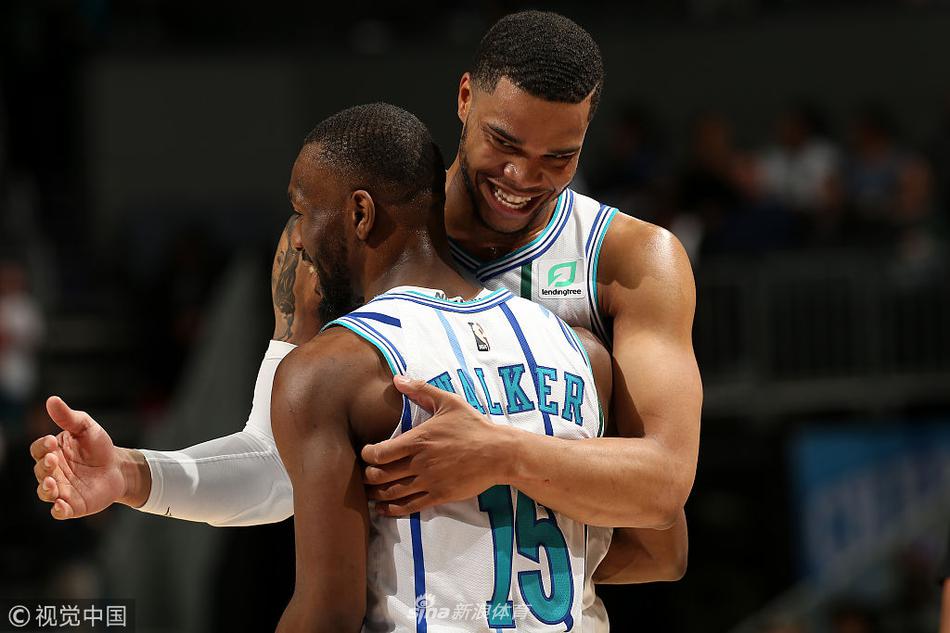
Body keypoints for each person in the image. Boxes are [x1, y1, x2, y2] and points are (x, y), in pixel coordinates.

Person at [30, 10, 699, 627]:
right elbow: (275, 466)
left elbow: (662, 512)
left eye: (560, 157)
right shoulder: (333, 248)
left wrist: (496, 474)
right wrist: (134, 472)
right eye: (504, 142)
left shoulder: (631, 260)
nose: (523, 176)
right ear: (465, 98)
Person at [274, 101, 614, 631]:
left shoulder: (331, 370)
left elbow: (329, 612)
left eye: (303, 210)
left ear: (360, 213)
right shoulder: (582, 352)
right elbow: (662, 553)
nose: (298, 237)